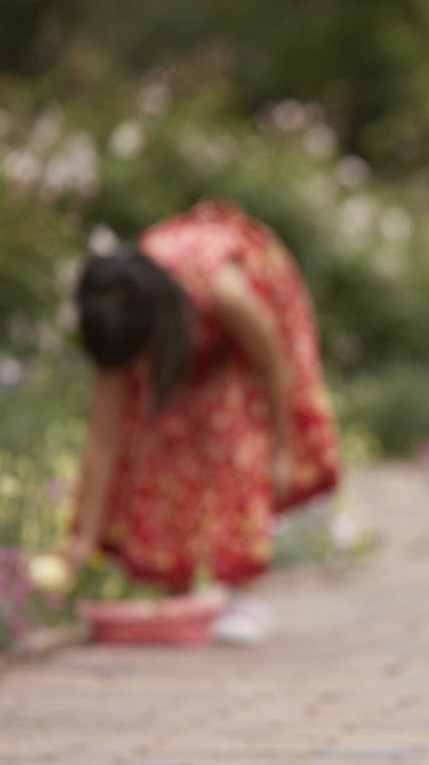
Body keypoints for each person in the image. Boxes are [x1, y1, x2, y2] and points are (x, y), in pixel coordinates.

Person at [64, 200, 341, 643]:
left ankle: (240, 594)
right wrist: (82, 539)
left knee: (228, 434)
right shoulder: (116, 316)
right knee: (158, 437)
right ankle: (181, 590)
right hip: (179, 327)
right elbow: (104, 437)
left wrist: (283, 452)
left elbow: (274, 366)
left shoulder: (222, 290)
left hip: (254, 328)